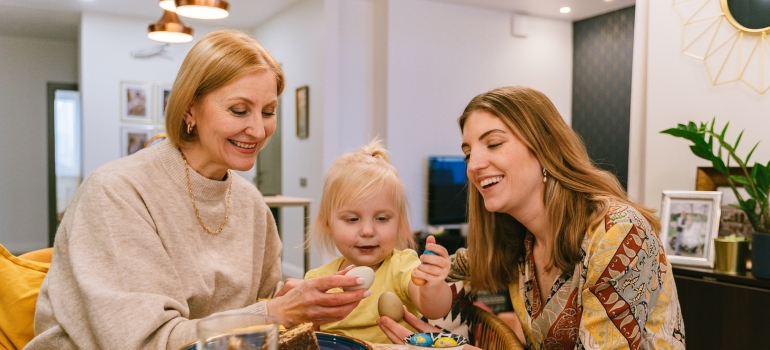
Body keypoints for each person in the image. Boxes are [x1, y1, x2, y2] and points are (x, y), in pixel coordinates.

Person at [25, 30, 369, 350]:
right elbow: (145, 342)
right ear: (189, 108)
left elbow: (260, 320)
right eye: (239, 110)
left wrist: (287, 301)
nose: (257, 129)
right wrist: (277, 311)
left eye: (268, 112)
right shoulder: (116, 192)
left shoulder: (251, 205)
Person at [379, 86, 686, 349]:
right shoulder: (520, 240)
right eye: (468, 153)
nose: (473, 165)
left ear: (545, 148)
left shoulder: (618, 232)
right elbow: (438, 271)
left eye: (494, 144)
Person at [301, 139, 453, 344]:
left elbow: (434, 310)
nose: (367, 231)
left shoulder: (402, 266)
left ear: (399, 223)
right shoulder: (319, 279)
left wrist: (433, 285)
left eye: (382, 219)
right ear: (328, 224)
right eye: (352, 219)